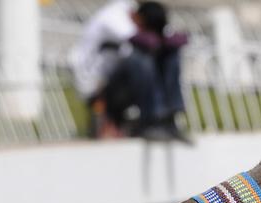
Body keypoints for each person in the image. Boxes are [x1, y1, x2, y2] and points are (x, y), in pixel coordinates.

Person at [70, 0, 189, 141]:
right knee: (140, 58)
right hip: (98, 87)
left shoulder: (141, 11)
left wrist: (166, 40)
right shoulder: (113, 16)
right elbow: (145, 41)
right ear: (136, 17)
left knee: (170, 56)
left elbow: (178, 39)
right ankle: (150, 121)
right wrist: (163, 40)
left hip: (125, 84)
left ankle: (170, 117)